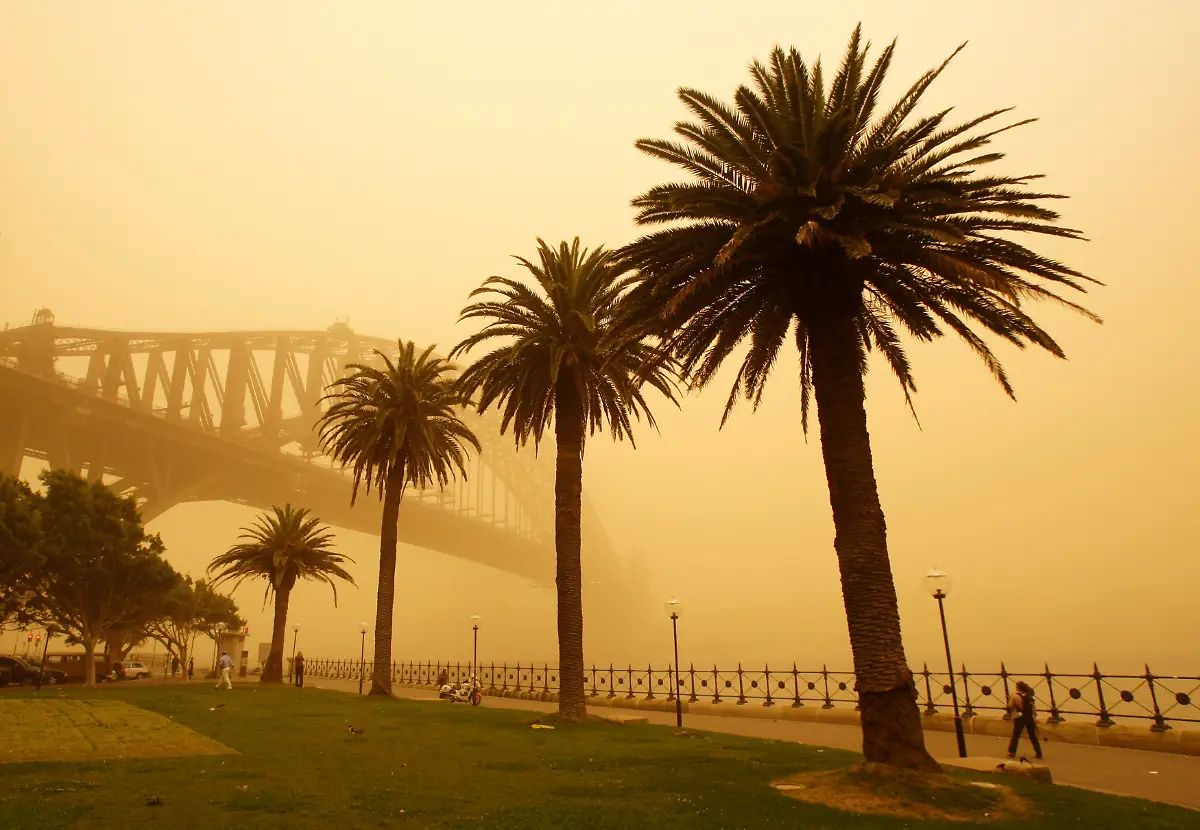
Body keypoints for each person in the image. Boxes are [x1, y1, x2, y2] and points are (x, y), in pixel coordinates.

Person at [1007, 681, 1043, 760]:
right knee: (1033, 736)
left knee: (1016, 735)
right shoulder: (1029, 697)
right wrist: (1034, 718)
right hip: (1029, 717)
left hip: (1020, 718)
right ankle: (1039, 753)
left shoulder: (1015, 696)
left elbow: (1010, 705)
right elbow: (1033, 709)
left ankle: (1012, 752)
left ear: (1017, 687)